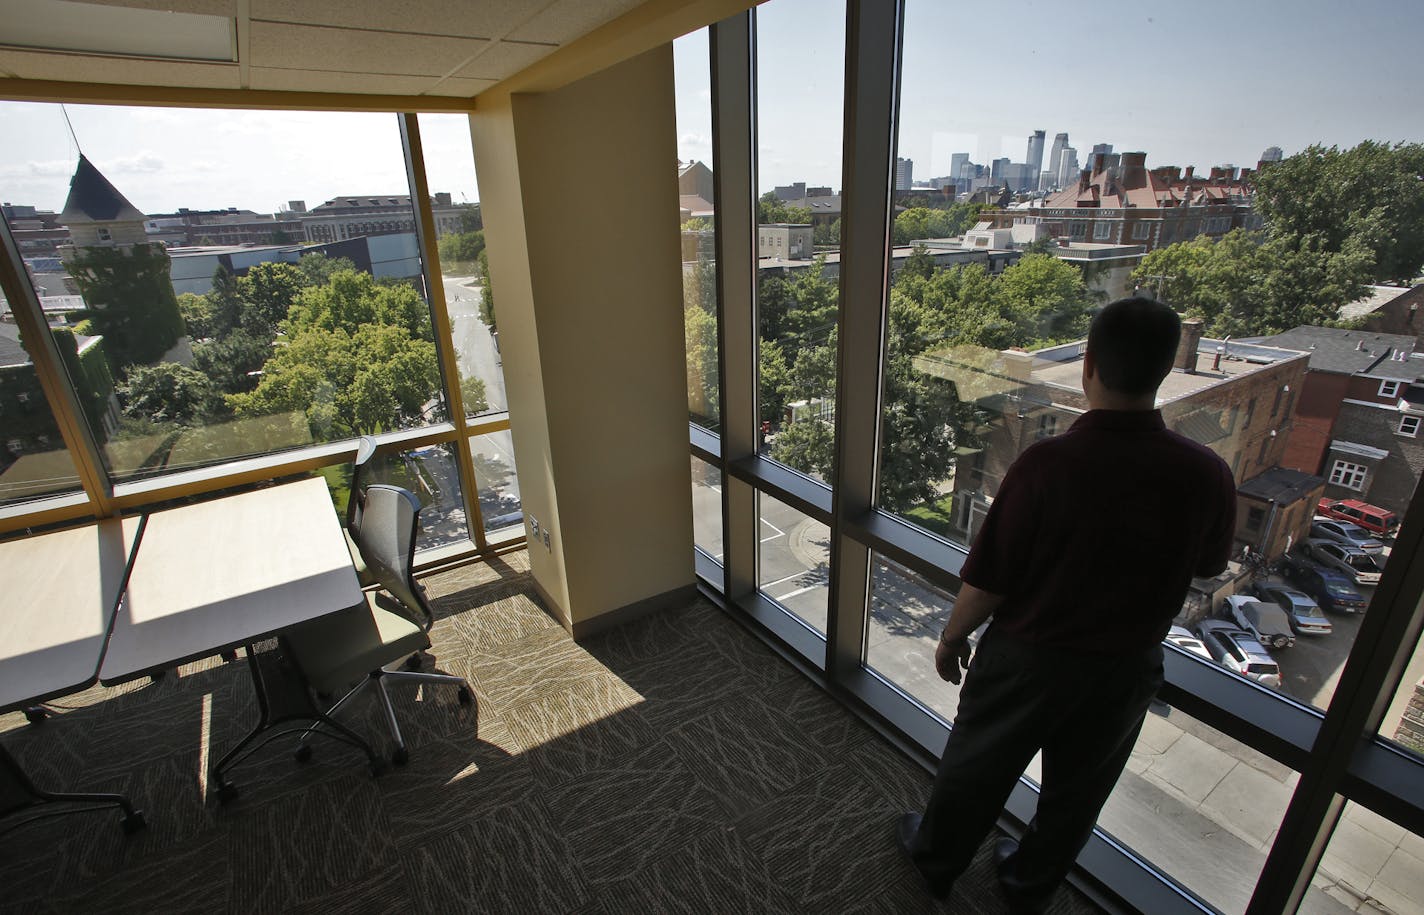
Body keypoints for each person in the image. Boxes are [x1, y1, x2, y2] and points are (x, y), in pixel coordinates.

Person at [896, 295, 1237, 911]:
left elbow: (994, 575)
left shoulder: (1048, 463)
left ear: (1088, 364)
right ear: (1164, 369)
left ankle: (937, 858)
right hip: (1122, 668)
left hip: (1030, 657)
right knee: (1076, 796)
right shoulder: (1205, 471)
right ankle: (1028, 883)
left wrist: (951, 637)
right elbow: (1210, 566)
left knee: (977, 768)